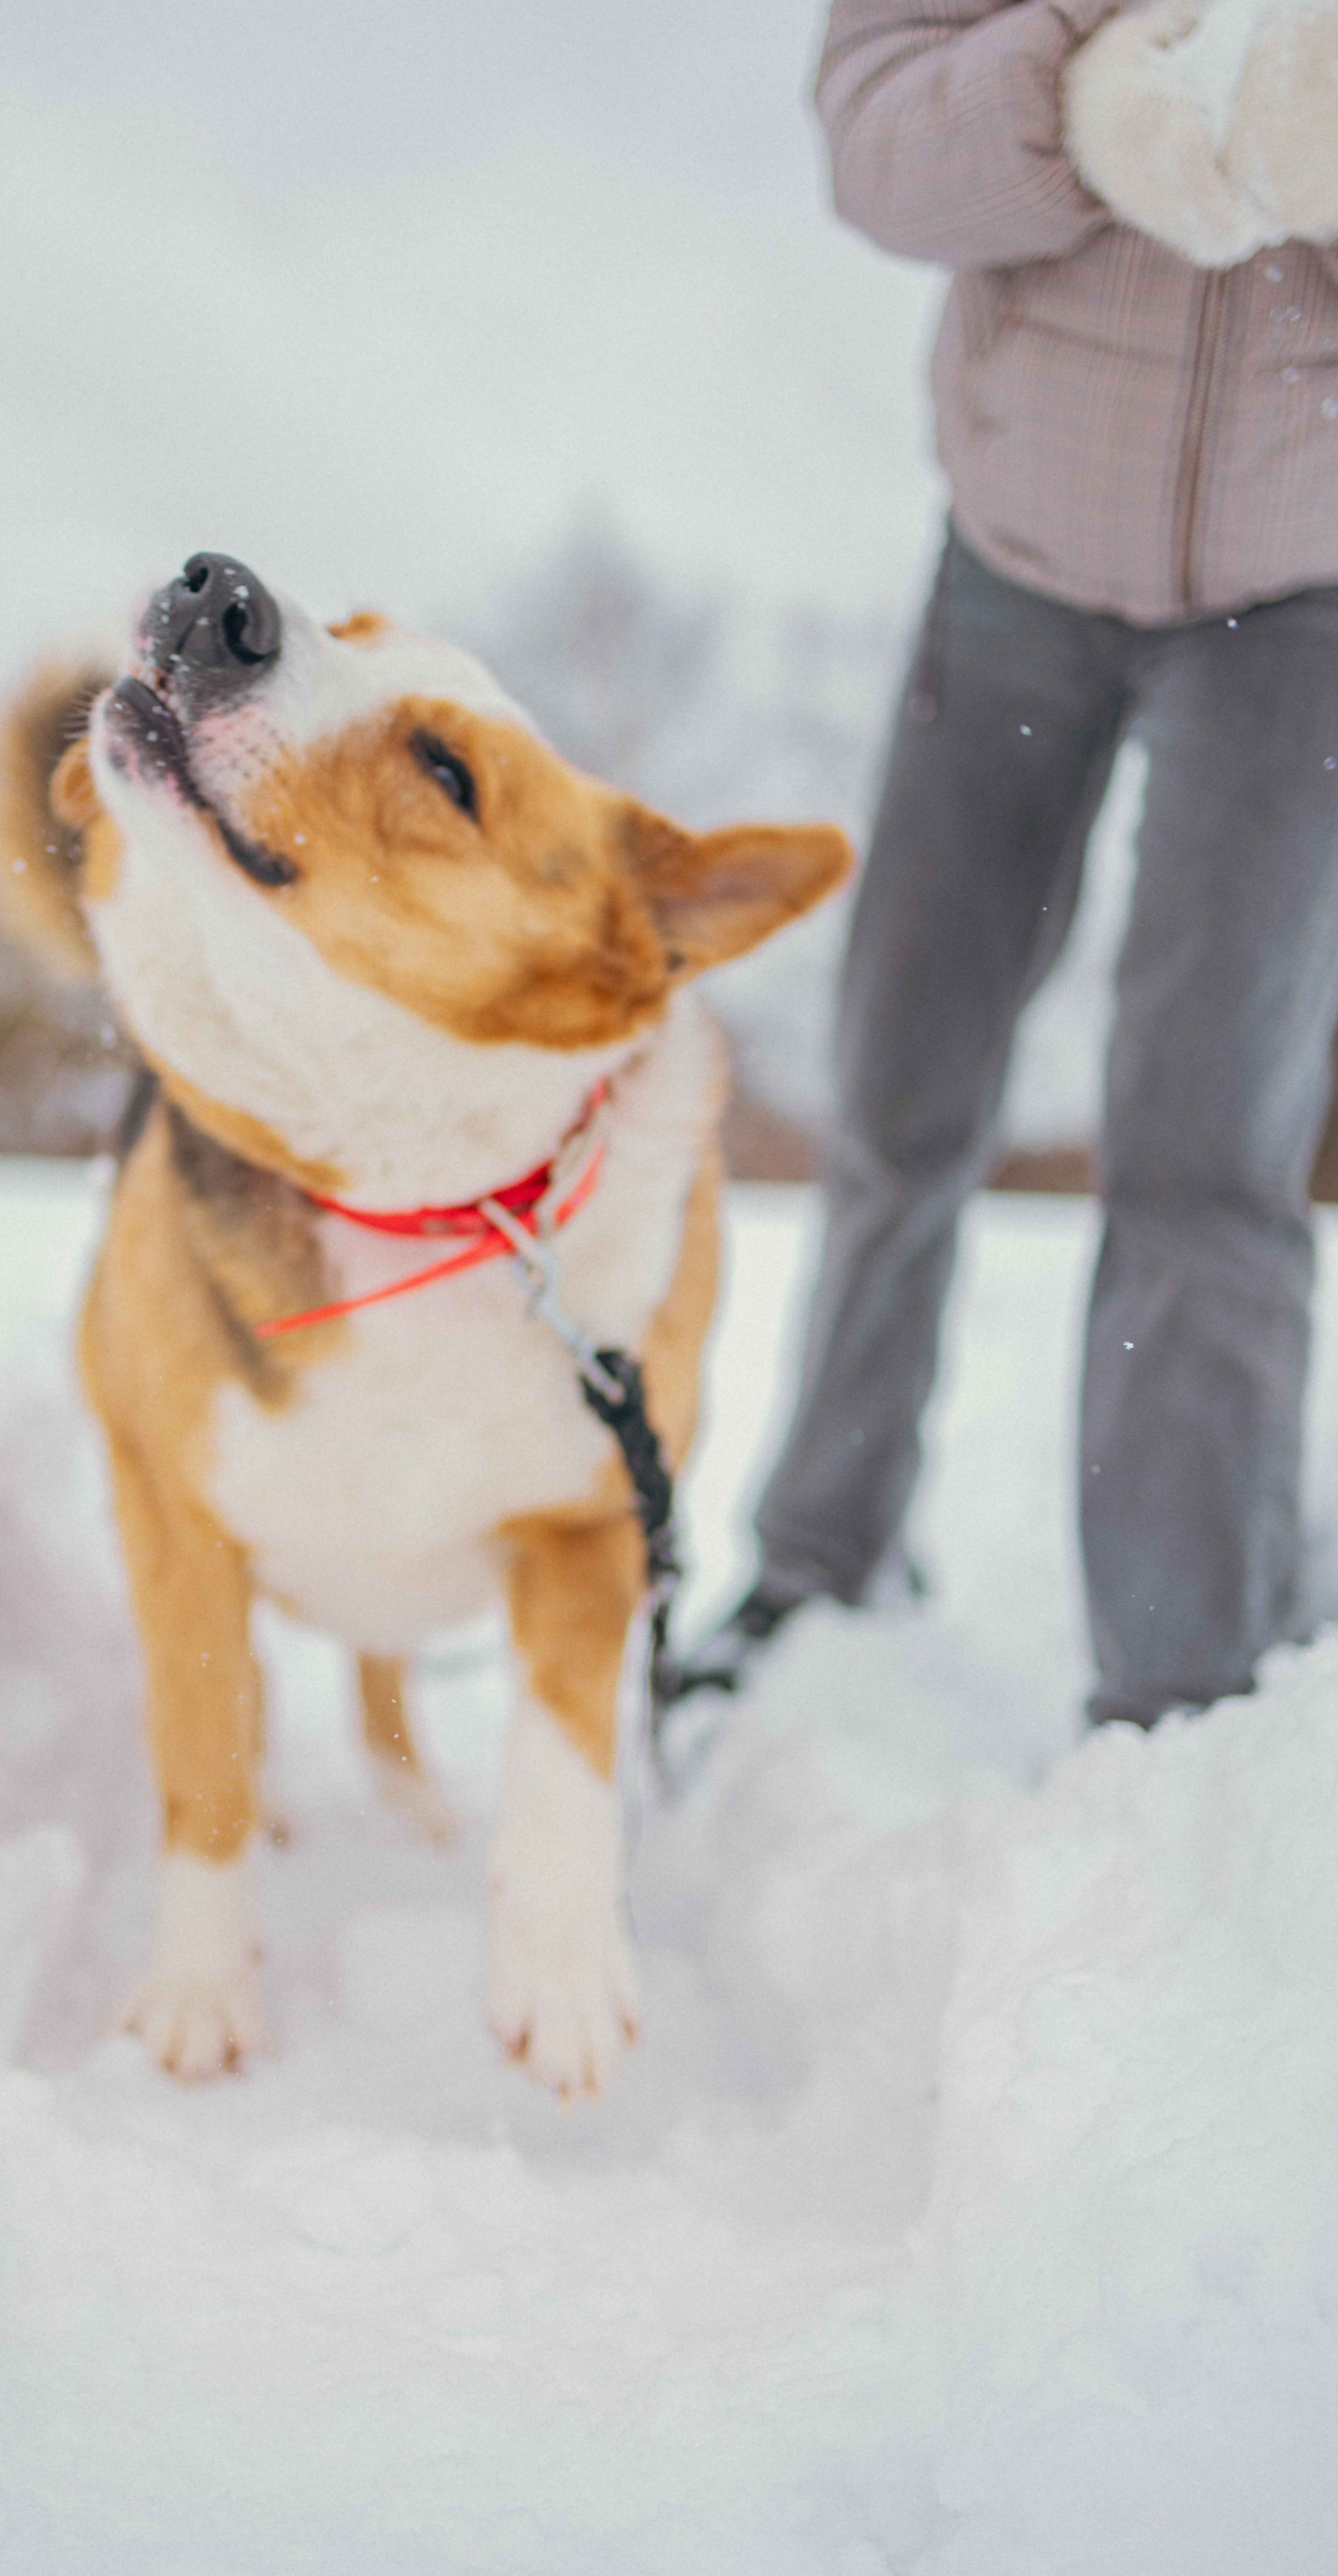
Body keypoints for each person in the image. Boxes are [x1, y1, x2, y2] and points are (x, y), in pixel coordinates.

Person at [685, 0, 1338, 1730]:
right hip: (1016, 574)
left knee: (1210, 1151)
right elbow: (874, 145)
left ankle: (1182, 1682)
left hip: (1304, 611)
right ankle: (823, 1559)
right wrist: (1080, 90)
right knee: (908, 1084)